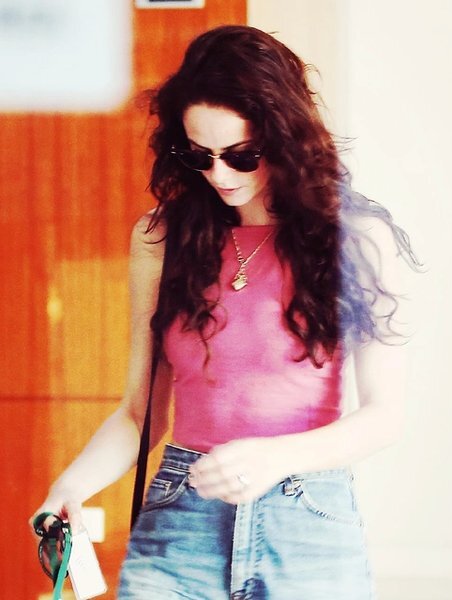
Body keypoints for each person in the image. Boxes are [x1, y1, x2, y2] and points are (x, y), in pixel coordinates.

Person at [31, 25, 419, 599]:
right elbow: (139, 414)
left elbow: (384, 416)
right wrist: (71, 486)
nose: (219, 174)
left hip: (307, 521)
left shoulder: (355, 237)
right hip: (181, 517)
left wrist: (273, 457)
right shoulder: (161, 239)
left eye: (242, 155)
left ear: (285, 138)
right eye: (198, 155)